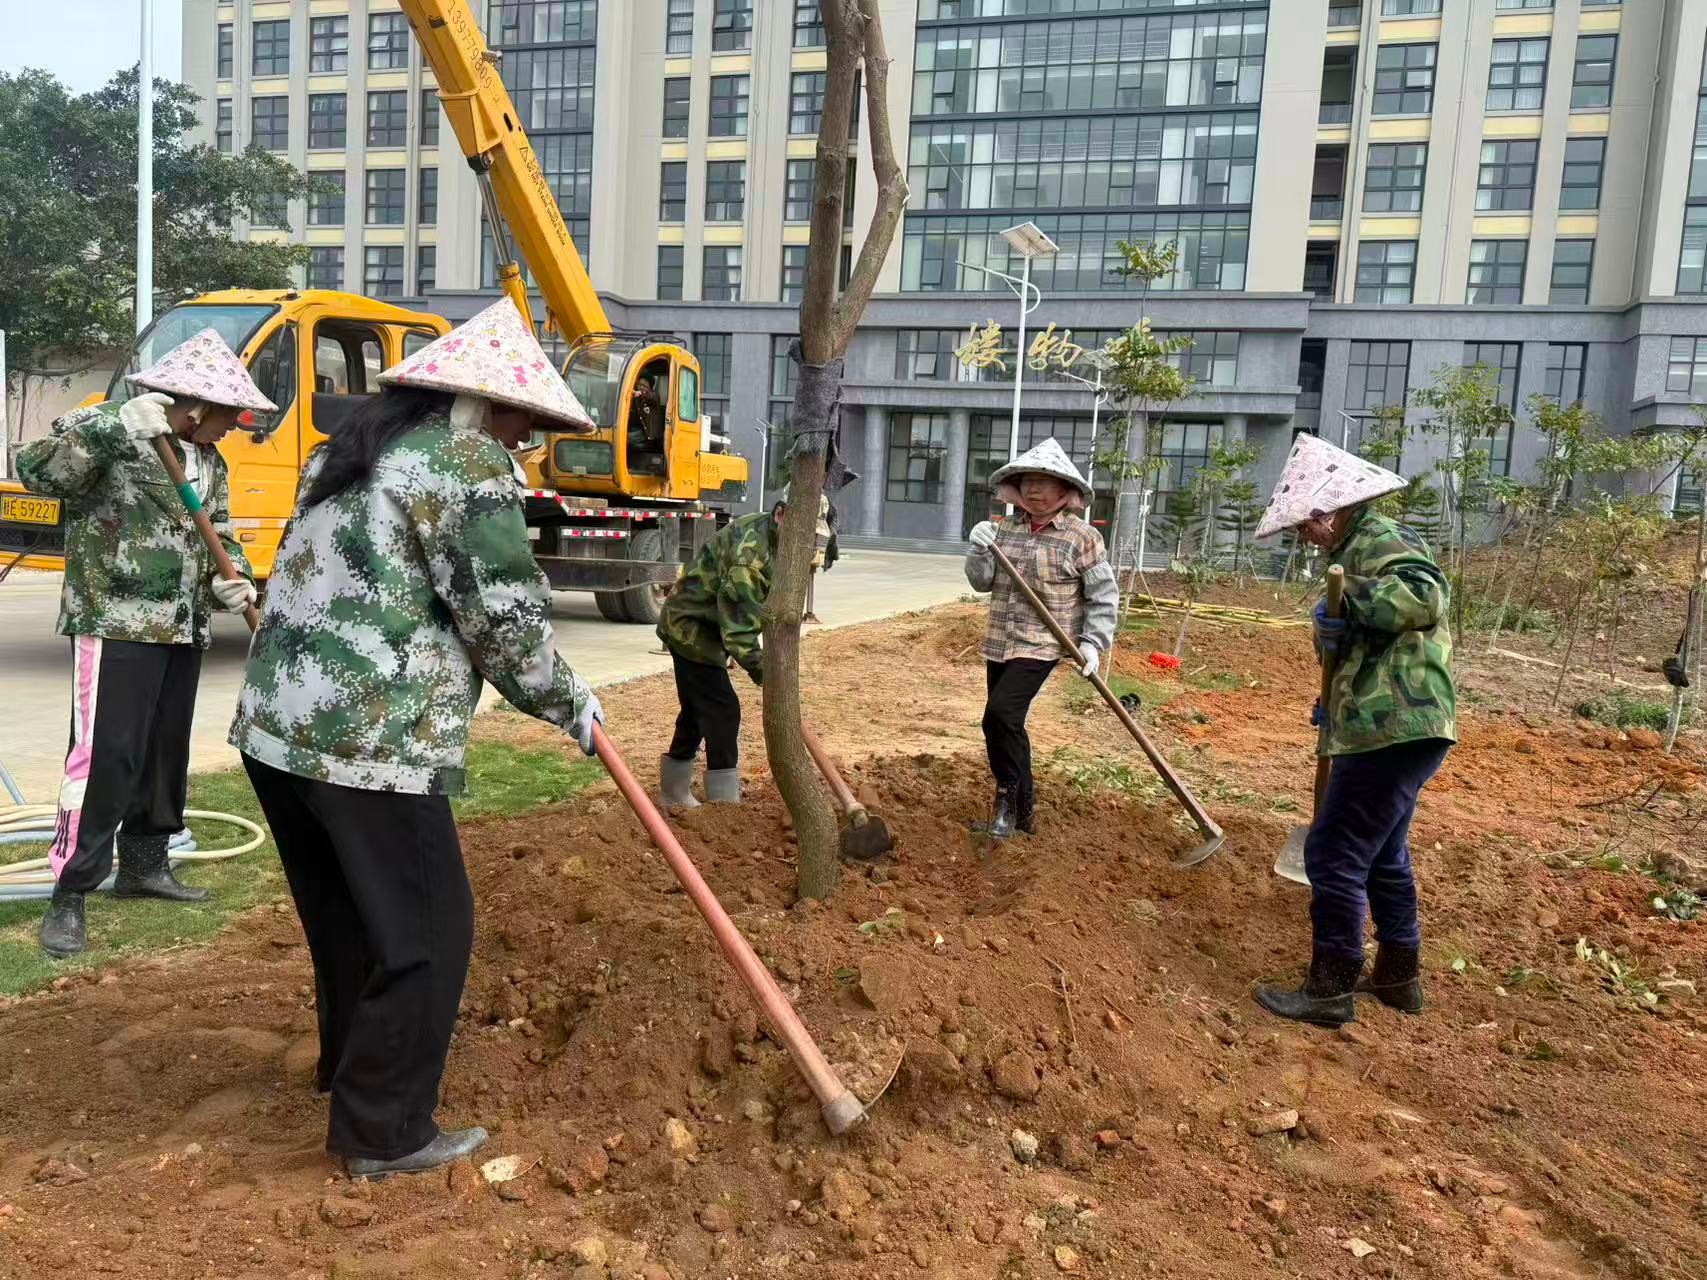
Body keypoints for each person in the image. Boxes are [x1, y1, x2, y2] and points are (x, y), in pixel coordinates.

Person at [228, 299, 605, 1178]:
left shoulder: (351, 448)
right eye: (522, 421)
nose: (523, 439)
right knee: (429, 931)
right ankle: (385, 1130)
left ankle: (347, 1071)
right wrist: (567, 701)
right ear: (483, 403)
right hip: (370, 740)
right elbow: (500, 616)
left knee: (349, 919)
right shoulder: (461, 461)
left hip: (280, 726)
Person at [18, 329, 271, 958]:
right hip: (116, 621)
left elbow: (219, 531)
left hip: (183, 624)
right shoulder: (110, 427)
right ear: (196, 406)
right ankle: (71, 891)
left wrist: (233, 578)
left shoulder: (210, 461)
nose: (237, 426)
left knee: (163, 753)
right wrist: (110, 429)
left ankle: (144, 865)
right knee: (105, 757)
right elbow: (37, 472)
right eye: (231, 414)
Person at [1251, 434, 1457, 1028]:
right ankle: (1398, 977)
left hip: (1393, 724)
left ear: (1331, 508)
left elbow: (1425, 597)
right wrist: (1333, 687)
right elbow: (1359, 644)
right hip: (1390, 722)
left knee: (1334, 852)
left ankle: (1330, 988)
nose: (1302, 534)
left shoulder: (1380, 537)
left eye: (1304, 522)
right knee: (1384, 854)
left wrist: (1351, 600)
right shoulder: (1351, 550)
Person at [964, 440, 1117, 839]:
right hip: (1001, 638)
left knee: (1001, 715)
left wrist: (1092, 642)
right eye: (1027, 481)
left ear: (1064, 490)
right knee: (1001, 724)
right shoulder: (1005, 529)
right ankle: (1023, 814)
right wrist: (978, 550)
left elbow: (1103, 594)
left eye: (1044, 482)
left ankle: (1006, 803)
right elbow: (982, 582)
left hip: (1043, 642)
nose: (1034, 489)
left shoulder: (1082, 537)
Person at [655, 485, 832, 807]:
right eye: (801, 532)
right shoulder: (749, 558)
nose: (806, 542)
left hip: (710, 624)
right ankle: (724, 802)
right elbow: (738, 633)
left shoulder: (776, 536)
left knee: (698, 709)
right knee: (723, 710)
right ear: (780, 514)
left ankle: (674, 792)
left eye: (811, 535)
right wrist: (768, 674)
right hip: (691, 629)